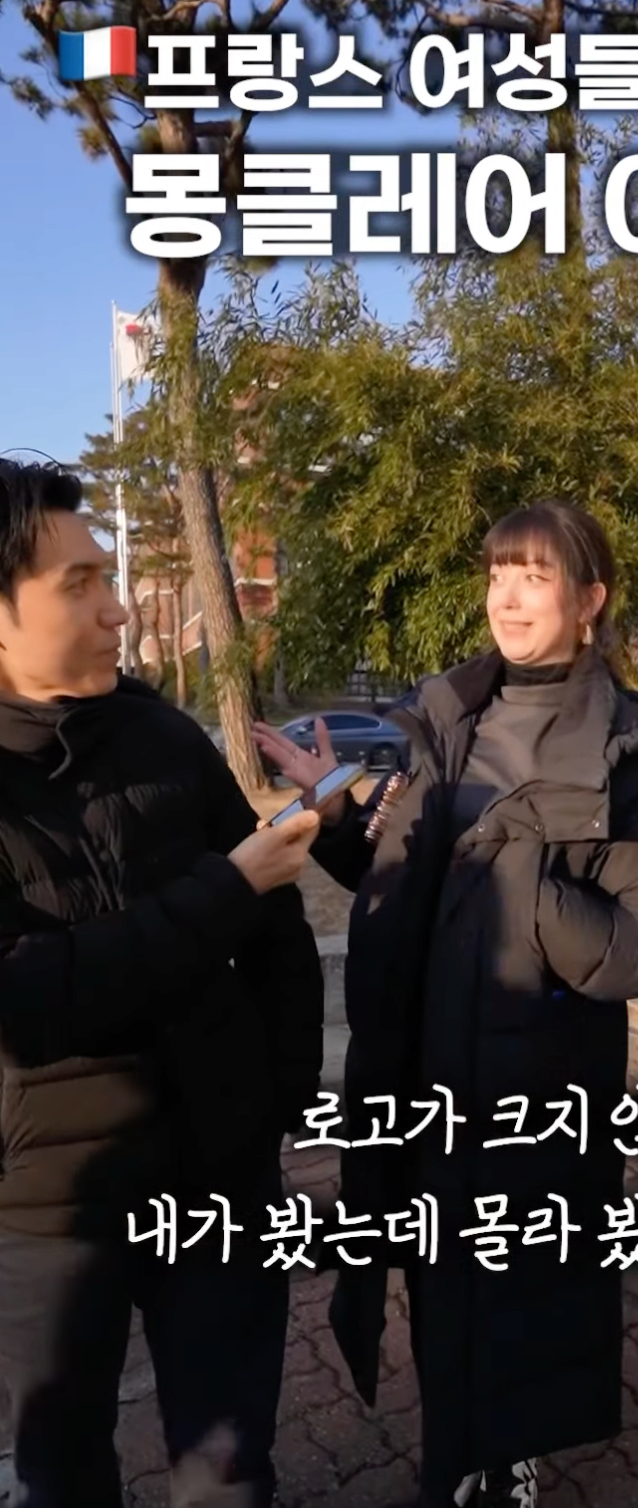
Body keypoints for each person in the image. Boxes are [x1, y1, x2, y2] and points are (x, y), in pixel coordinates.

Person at [255, 499, 638, 1507]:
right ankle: (457, 1449)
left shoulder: (623, 749)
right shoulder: (445, 715)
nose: (508, 596)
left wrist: (521, 886)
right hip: (417, 1074)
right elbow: (401, 878)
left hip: (532, 1090)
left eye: (535, 575)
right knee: (434, 1278)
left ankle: (506, 1462)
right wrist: (339, 813)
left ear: (589, 599)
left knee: (520, 1291)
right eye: (498, 573)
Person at [0, 460, 325, 1508]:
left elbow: (278, 926)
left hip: (220, 1175)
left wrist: (278, 1095)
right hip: (49, 1205)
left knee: (227, 1470)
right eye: (80, 585)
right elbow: (27, 1005)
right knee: (61, 1474)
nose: (119, 610)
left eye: (112, 577)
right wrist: (224, 890)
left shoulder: (164, 734)